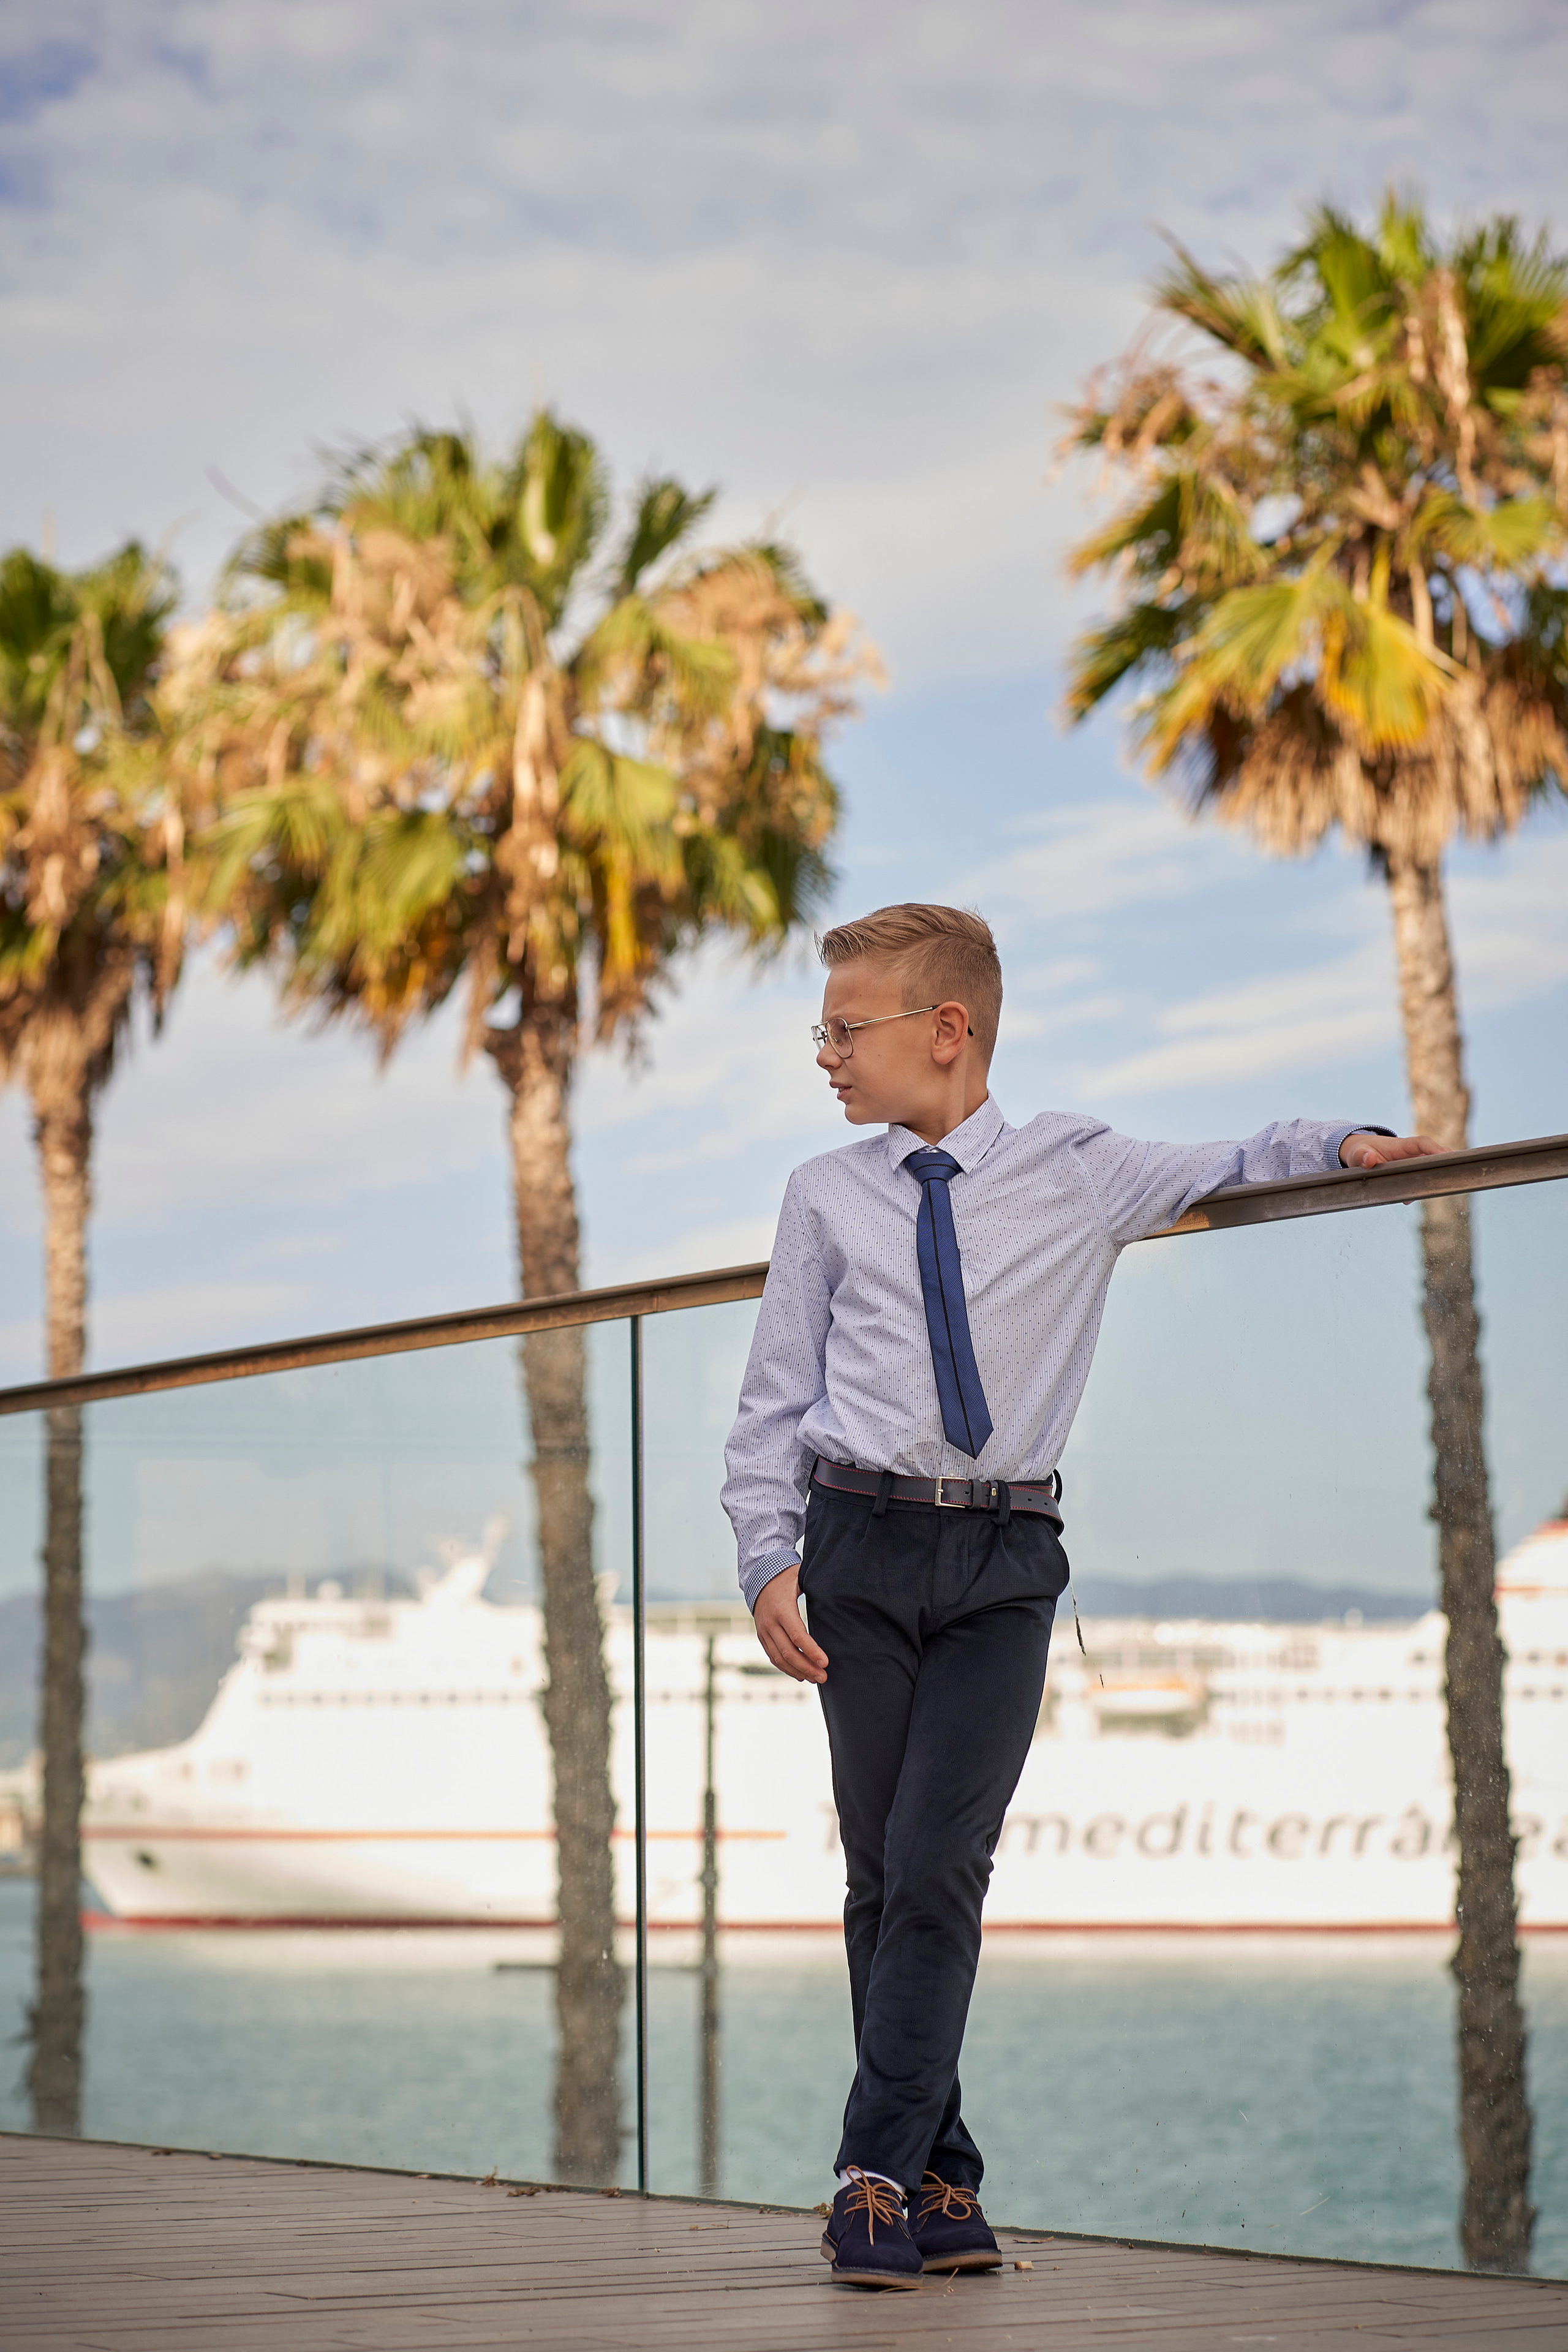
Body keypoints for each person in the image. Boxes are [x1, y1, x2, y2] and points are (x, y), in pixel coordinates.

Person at [720, 902, 1443, 2290]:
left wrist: (1340, 1143)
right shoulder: (822, 1192)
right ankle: (942, 2176)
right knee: (885, 1877)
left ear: (947, 1031)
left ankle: (866, 2174)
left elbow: (1230, 1157)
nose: (823, 1055)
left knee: (938, 1863)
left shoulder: (1074, 1166)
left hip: (1003, 1567)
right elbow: (773, 1400)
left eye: (843, 1027)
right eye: (821, 1028)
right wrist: (767, 1556)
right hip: (855, 1550)